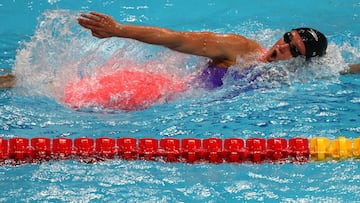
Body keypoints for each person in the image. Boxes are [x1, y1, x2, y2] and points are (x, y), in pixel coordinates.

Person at [1, 12, 359, 109]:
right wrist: (119, 29)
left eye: (293, 51)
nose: (282, 48)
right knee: (60, 94)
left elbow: (338, 69)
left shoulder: (289, 77)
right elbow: (178, 39)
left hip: (170, 99)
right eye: (286, 39)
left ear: (302, 61)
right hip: (157, 93)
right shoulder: (241, 49)